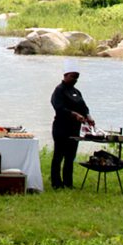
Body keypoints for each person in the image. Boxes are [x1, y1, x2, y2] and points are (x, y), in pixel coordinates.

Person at [50, 60, 94, 189]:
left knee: (70, 156)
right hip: (61, 127)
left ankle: (68, 183)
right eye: (73, 76)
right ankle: (56, 183)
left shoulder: (77, 92)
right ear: (66, 75)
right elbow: (59, 108)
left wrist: (88, 116)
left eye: (77, 77)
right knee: (58, 155)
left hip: (74, 129)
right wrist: (74, 114)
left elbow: (84, 107)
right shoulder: (59, 90)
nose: (75, 79)